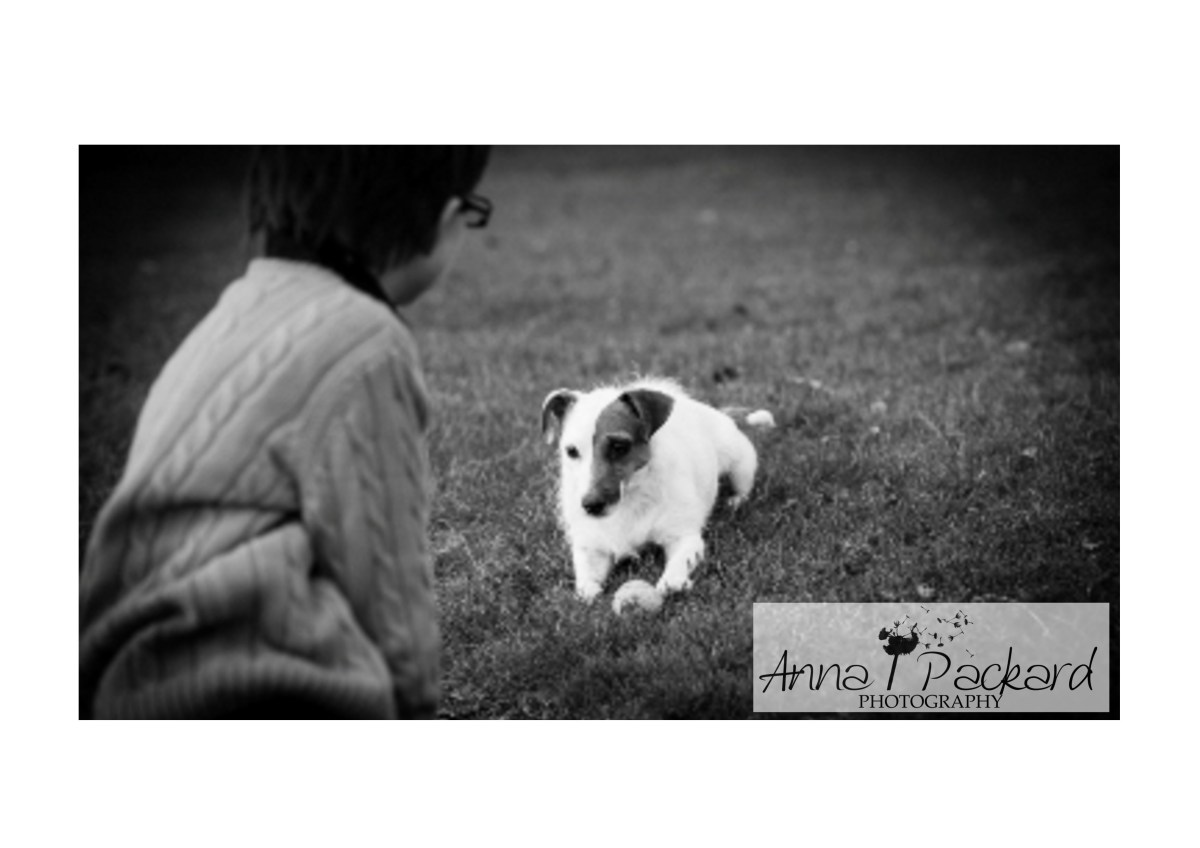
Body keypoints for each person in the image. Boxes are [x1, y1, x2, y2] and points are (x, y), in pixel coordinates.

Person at [80, 146, 491, 718]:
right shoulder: (366, 342)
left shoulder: (233, 313)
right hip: (266, 689)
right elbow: (389, 599)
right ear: (447, 218)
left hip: (128, 689)